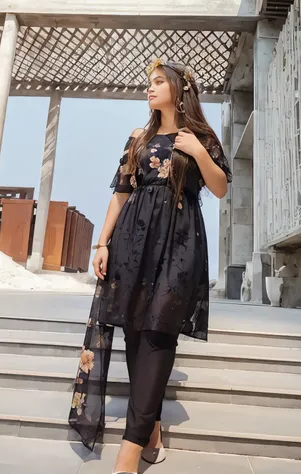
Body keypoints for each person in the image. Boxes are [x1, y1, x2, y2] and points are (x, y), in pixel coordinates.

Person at [68, 58, 232, 474]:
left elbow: (220, 187)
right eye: (149, 83)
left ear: (179, 89)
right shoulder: (138, 138)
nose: (150, 88)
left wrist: (197, 151)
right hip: (132, 241)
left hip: (180, 244)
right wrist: (102, 242)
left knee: (159, 332)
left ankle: (129, 450)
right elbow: (121, 194)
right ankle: (151, 424)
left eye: (159, 82)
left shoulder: (201, 137)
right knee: (136, 332)